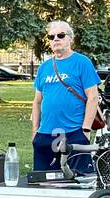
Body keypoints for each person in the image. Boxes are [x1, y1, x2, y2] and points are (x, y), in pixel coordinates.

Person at [31, 19, 100, 174]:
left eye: (60, 35)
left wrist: (86, 130)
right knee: (43, 184)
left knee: (80, 182)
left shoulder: (83, 62)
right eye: (51, 36)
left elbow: (93, 97)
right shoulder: (44, 67)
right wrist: (35, 131)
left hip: (74, 132)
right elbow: (37, 102)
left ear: (71, 39)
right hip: (45, 134)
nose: (55, 39)